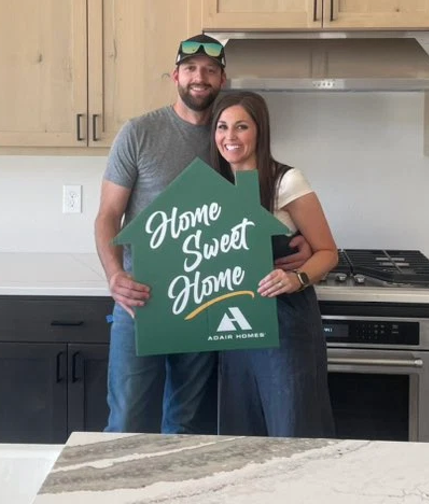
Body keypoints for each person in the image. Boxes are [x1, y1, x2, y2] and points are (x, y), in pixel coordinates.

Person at [95, 34, 312, 434]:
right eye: (191, 69)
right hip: (140, 298)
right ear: (175, 75)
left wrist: (296, 240)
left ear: (222, 79)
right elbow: (107, 215)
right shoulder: (139, 132)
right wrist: (114, 276)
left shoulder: (230, 135)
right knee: (126, 419)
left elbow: (259, 202)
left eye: (210, 70)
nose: (201, 77)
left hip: (204, 295)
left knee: (187, 421)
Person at [209, 90, 338, 438]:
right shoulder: (212, 188)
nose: (230, 137)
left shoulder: (286, 181)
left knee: (291, 428)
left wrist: (297, 278)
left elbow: (328, 252)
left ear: (259, 131)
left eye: (241, 127)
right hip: (234, 326)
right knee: (241, 436)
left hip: (286, 326)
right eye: (222, 127)